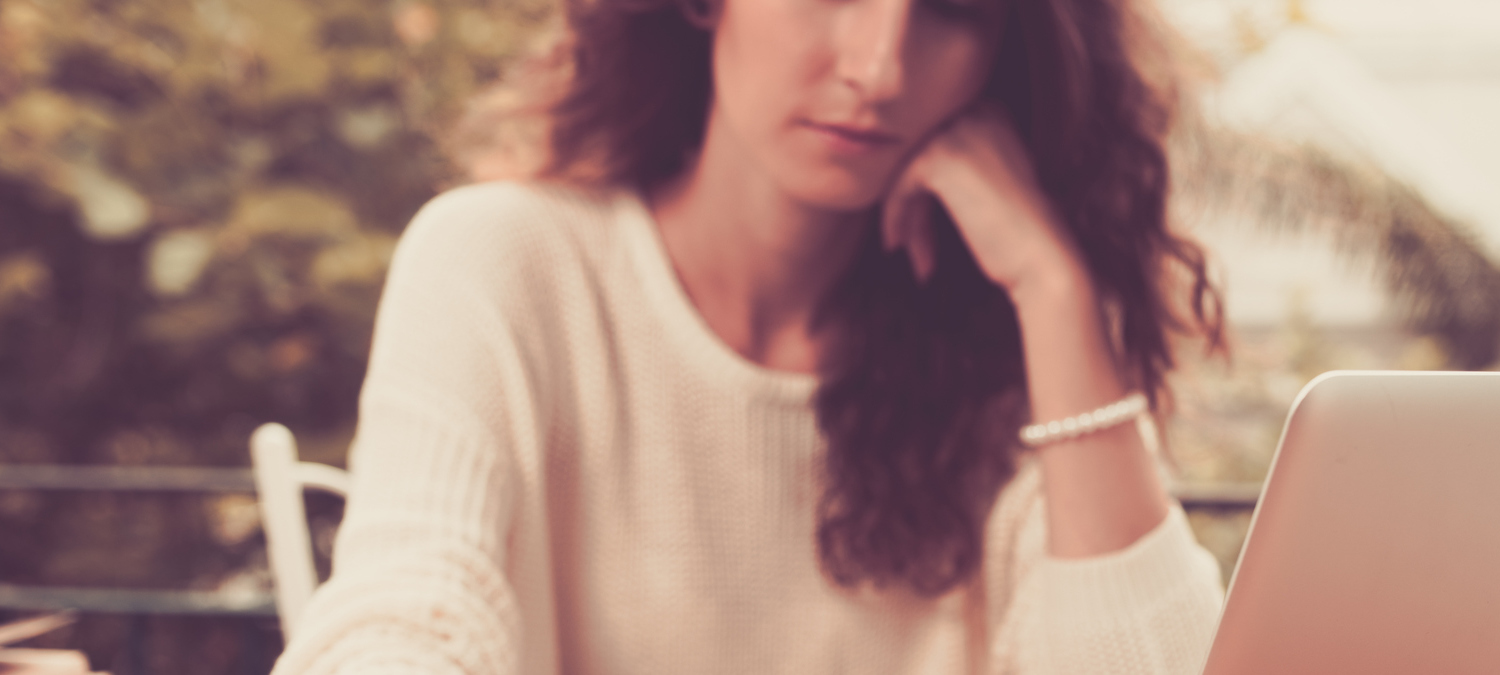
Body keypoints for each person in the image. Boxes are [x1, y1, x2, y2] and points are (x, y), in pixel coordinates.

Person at [272, 0, 1229, 671]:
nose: (878, 65)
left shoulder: (1020, 349)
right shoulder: (505, 262)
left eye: (953, 6)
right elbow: (411, 607)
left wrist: (1053, 290)